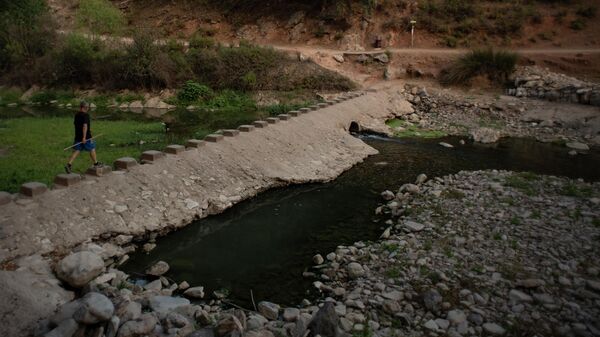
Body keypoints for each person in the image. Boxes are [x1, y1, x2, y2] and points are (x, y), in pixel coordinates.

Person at [65, 101, 102, 173]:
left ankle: (68, 165)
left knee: (77, 150)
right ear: (84, 107)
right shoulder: (86, 115)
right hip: (86, 137)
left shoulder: (77, 115)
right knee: (92, 148)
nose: (88, 108)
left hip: (78, 136)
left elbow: (77, 125)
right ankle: (96, 164)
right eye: (87, 107)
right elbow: (85, 125)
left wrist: (86, 132)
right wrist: (84, 137)